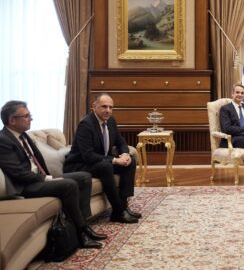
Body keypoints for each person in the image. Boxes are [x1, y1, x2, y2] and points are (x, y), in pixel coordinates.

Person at [0, 100, 105, 249]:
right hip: (25, 186)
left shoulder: (23, 136)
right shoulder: (3, 141)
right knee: (68, 185)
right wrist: (47, 178)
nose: (31, 119)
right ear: (12, 120)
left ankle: (83, 224)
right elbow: (18, 173)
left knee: (83, 177)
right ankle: (81, 233)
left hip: (38, 179)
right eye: (26, 116)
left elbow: (37, 162)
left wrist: (48, 177)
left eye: (30, 115)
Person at [64, 93, 140, 223]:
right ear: (94, 107)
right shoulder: (86, 125)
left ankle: (123, 207)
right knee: (105, 166)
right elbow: (88, 156)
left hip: (100, 162)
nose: (108, 110)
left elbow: (121, 142)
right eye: (104, 106)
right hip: (80, 164)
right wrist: (115, 160)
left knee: (130, 162)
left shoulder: (111, 121)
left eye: (111, 107)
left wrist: (125, 155)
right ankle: (118, 211)